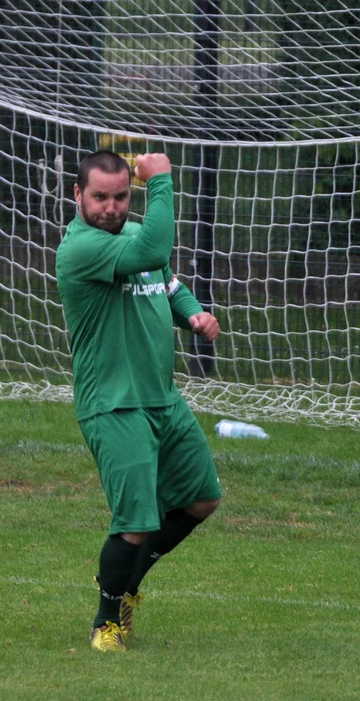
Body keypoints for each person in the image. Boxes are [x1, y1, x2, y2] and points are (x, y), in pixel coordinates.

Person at [55, 150, 223, 652]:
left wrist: (192, 314)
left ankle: (128, 584)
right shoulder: (81, 247)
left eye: (121, 196)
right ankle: (106, 622)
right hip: (113, 403)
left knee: (202, 498)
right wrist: (164, 181)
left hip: (162, 399)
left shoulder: (133, 237)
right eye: (100, 196)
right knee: (135, 523)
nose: (110, 207)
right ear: (78, 196)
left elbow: (166, 280)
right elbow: (153, 252)